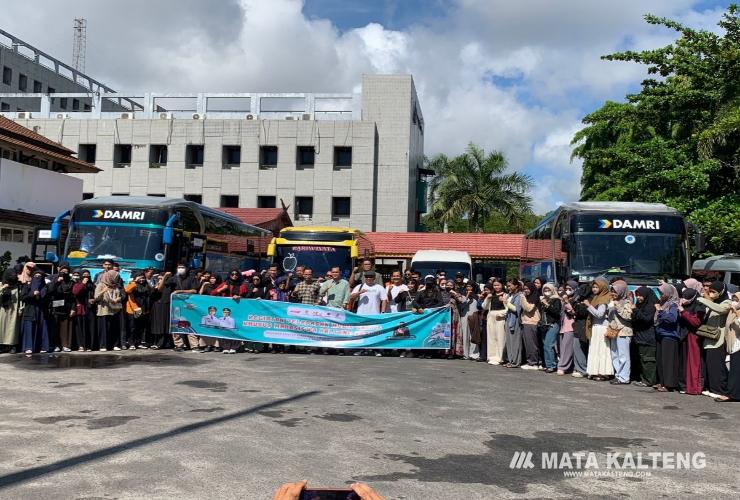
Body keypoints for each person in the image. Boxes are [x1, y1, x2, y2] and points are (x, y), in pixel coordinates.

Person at [698, 281, 731, 399]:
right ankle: (712, 388)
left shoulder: (726, 302)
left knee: (717, 367)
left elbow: (721, 310)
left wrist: (703, 300)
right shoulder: (713, 302)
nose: (711, 294)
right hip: (709, 337)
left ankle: (719, 390)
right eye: (710, 291)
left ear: (721, 292)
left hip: (719, 339)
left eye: (713, 292)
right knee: (710, 366)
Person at [585, 278, 614, 381]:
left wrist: (589, 306)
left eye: (597, 287)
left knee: (601, 350)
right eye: (593, 287)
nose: (594, 289)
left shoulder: (603, 299)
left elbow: (599, 314)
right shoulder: (596, 298)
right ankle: (594, 371)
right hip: (596, 327)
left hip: (601, 328)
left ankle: (603, 373)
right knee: (595, 350)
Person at [677, 287, 705, 395]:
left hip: (694, 337)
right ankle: (684, 385)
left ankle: (694, 387)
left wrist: (683, 312)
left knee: (693, 362)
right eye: (683, 297)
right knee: (684, 363)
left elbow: (696, 322)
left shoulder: (699, 306)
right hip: (684, 336)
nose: (684, 299)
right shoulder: (684, 305)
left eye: (686, 298)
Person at [655, 283, 681, 392]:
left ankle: (669, 384)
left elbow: (672, 319)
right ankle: (662, 382)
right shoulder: (664, 303)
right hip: (661, 334)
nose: (660, 295)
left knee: (668, 362)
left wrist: (660, 311)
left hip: (669, 336)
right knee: (661, 361)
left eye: (662, 292)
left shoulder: (673, 304)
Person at [631, 287, 658, 387]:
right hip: (639, 337)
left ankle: (649, 380)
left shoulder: (650, 306)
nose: (638, 298)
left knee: (648, 360)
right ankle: (643, 379)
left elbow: (647, 319)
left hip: (647, 337)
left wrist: (636, 310)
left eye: (640, 295)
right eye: (637, 295)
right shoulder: (639, 305)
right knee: (642, 359)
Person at [607, 280, 633, 385]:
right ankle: (618, 375)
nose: (613, 293)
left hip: (624, 332)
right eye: (612, 291)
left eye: (615, 292)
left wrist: (617, 306)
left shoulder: (627, 302)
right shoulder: (612, 301)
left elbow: (628, 316)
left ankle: (624, 377)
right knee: (615, 355)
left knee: (623, 356)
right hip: (614, 331)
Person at [19, 268, 50, 354]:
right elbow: (23, 297)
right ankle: (29, 347)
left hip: (41, 311)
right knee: (29, 328)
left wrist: (41, 294)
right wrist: (32, 294)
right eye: (36, 276)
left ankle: (42, 347)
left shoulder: (45, 287)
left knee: (41, 328)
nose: (37, 278)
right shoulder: (27, 285)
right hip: (30, 310)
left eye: (40, 276)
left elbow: (47, 299)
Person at [47, 264, 75, 352]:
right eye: (62, 272)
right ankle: (56, 345)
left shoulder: (71, 282)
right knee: (55, 327)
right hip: (56, 306)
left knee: (66, 328)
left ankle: (65, 345)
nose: (64, 274)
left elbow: (73, 297)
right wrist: (57, 282)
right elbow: (50, 291)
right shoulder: (54, 280)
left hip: (67, 307)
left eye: (66, 272)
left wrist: (73, 308)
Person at [718, 292, 740, 402]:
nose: (734, 302)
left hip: (738, 345)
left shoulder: (736, 312)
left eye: (737, 300)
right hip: (733, 344)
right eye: (733, 299)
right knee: (734, 370)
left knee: (735, 371)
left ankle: (733, 394)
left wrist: (737, 313)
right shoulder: (731, 312)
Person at [94, 270, 124, 351]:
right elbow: (96, 297)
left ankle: (114, 345)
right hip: (104, 309)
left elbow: (120, 295)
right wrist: (103, 291)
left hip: (115, 309)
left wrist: (118, 298)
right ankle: (103, 346)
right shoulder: (101, 285)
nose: (117, 278)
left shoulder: (116, 285)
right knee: (104, 329)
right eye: (115, 277)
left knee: (114, 328)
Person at [125, 272, 154, 349]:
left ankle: (138, 342)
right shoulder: (133, 285)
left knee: (140, 327)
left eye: (143, 278)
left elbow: (152, 291)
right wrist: (135, 281)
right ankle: (131, 343)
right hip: (134, 309)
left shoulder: (146, 285)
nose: (142, 279)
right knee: (133, 327)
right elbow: (127, 290)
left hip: (144, 309)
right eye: (140, 278)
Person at [482, 279, 508, 365]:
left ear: (502, 285)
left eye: (498, 285)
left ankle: (500, 357)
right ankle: (491, 356)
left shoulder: (505, 295)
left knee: (500, 337)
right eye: (495, 285)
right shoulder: (491, 295)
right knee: (491, 337)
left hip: (500, 317)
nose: (496, 287)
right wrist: (487, 298)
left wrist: (502, 314)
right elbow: (484, 307)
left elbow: (508, 308)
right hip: (490, 317)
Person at [538, 282, 562, 373]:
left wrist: (547, 304)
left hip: (553, 324)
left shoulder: (556, 300)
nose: (547, 292)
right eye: (545, 290)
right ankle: (548, 364)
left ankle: (552, 365)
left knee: (549, 344)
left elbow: (556, 312)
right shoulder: (543, 299)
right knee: (545, 346)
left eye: (548, 290)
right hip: (544, 325)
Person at [570, 283, 592, 378]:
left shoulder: (589, 299)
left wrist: (575, 304)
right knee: (577, 347)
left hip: (584, 326)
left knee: (581, 348)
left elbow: (582, 311)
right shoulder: (579, 299)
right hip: (579, 326)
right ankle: (579, 368)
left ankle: (582, 369)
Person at [556, 280, 578, 375]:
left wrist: (566, 302)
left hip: (571, 325)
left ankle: (562, 366)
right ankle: (567, 366)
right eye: (566, 289)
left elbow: (574, 312)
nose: (567, 291)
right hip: (563, 325)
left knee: (566, 347)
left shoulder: (576, 299)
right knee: (563, 346)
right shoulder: (564, 298)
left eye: (570, 289)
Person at [149, 271, 174, 350]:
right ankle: (157, 342)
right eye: (159, 278)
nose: (160, 280)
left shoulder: (169, 286)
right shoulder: (156, 286)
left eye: (162, 278)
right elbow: (157, 291)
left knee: (165, 326)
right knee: (157, 326)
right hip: (157, 307)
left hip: (166, 306)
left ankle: (164, 343)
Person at [520, 281, 541, 370]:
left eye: (528, 289)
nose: (526, 291)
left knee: (531, 344)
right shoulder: (528, 297)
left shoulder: (535, 297)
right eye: (524, 289)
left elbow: (528, 308)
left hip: (531, 322)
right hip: (526, 322)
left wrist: (522, 297)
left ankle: (533, 363)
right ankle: (533, 361)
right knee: (528, 344)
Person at [458, 281, 480, 360]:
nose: (468, 288)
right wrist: (467, 295)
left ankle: (474, 354)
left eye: (470, 286)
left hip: (474, 315)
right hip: (464, 316)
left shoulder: (477, 296)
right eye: (467, 286)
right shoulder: (463, 295)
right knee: (465, 335)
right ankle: (465, 354)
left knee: (473, 334)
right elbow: (462, 305)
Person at [0, 269, 21, 353]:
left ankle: (12, 346)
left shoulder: (17, 286)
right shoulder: (1, 284)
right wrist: (2, 288)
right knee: (2, 327)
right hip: (2, 310)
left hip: (13, 310)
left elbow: (20, 299)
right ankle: (2, 346)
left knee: (12, 328)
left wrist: (20, 308)